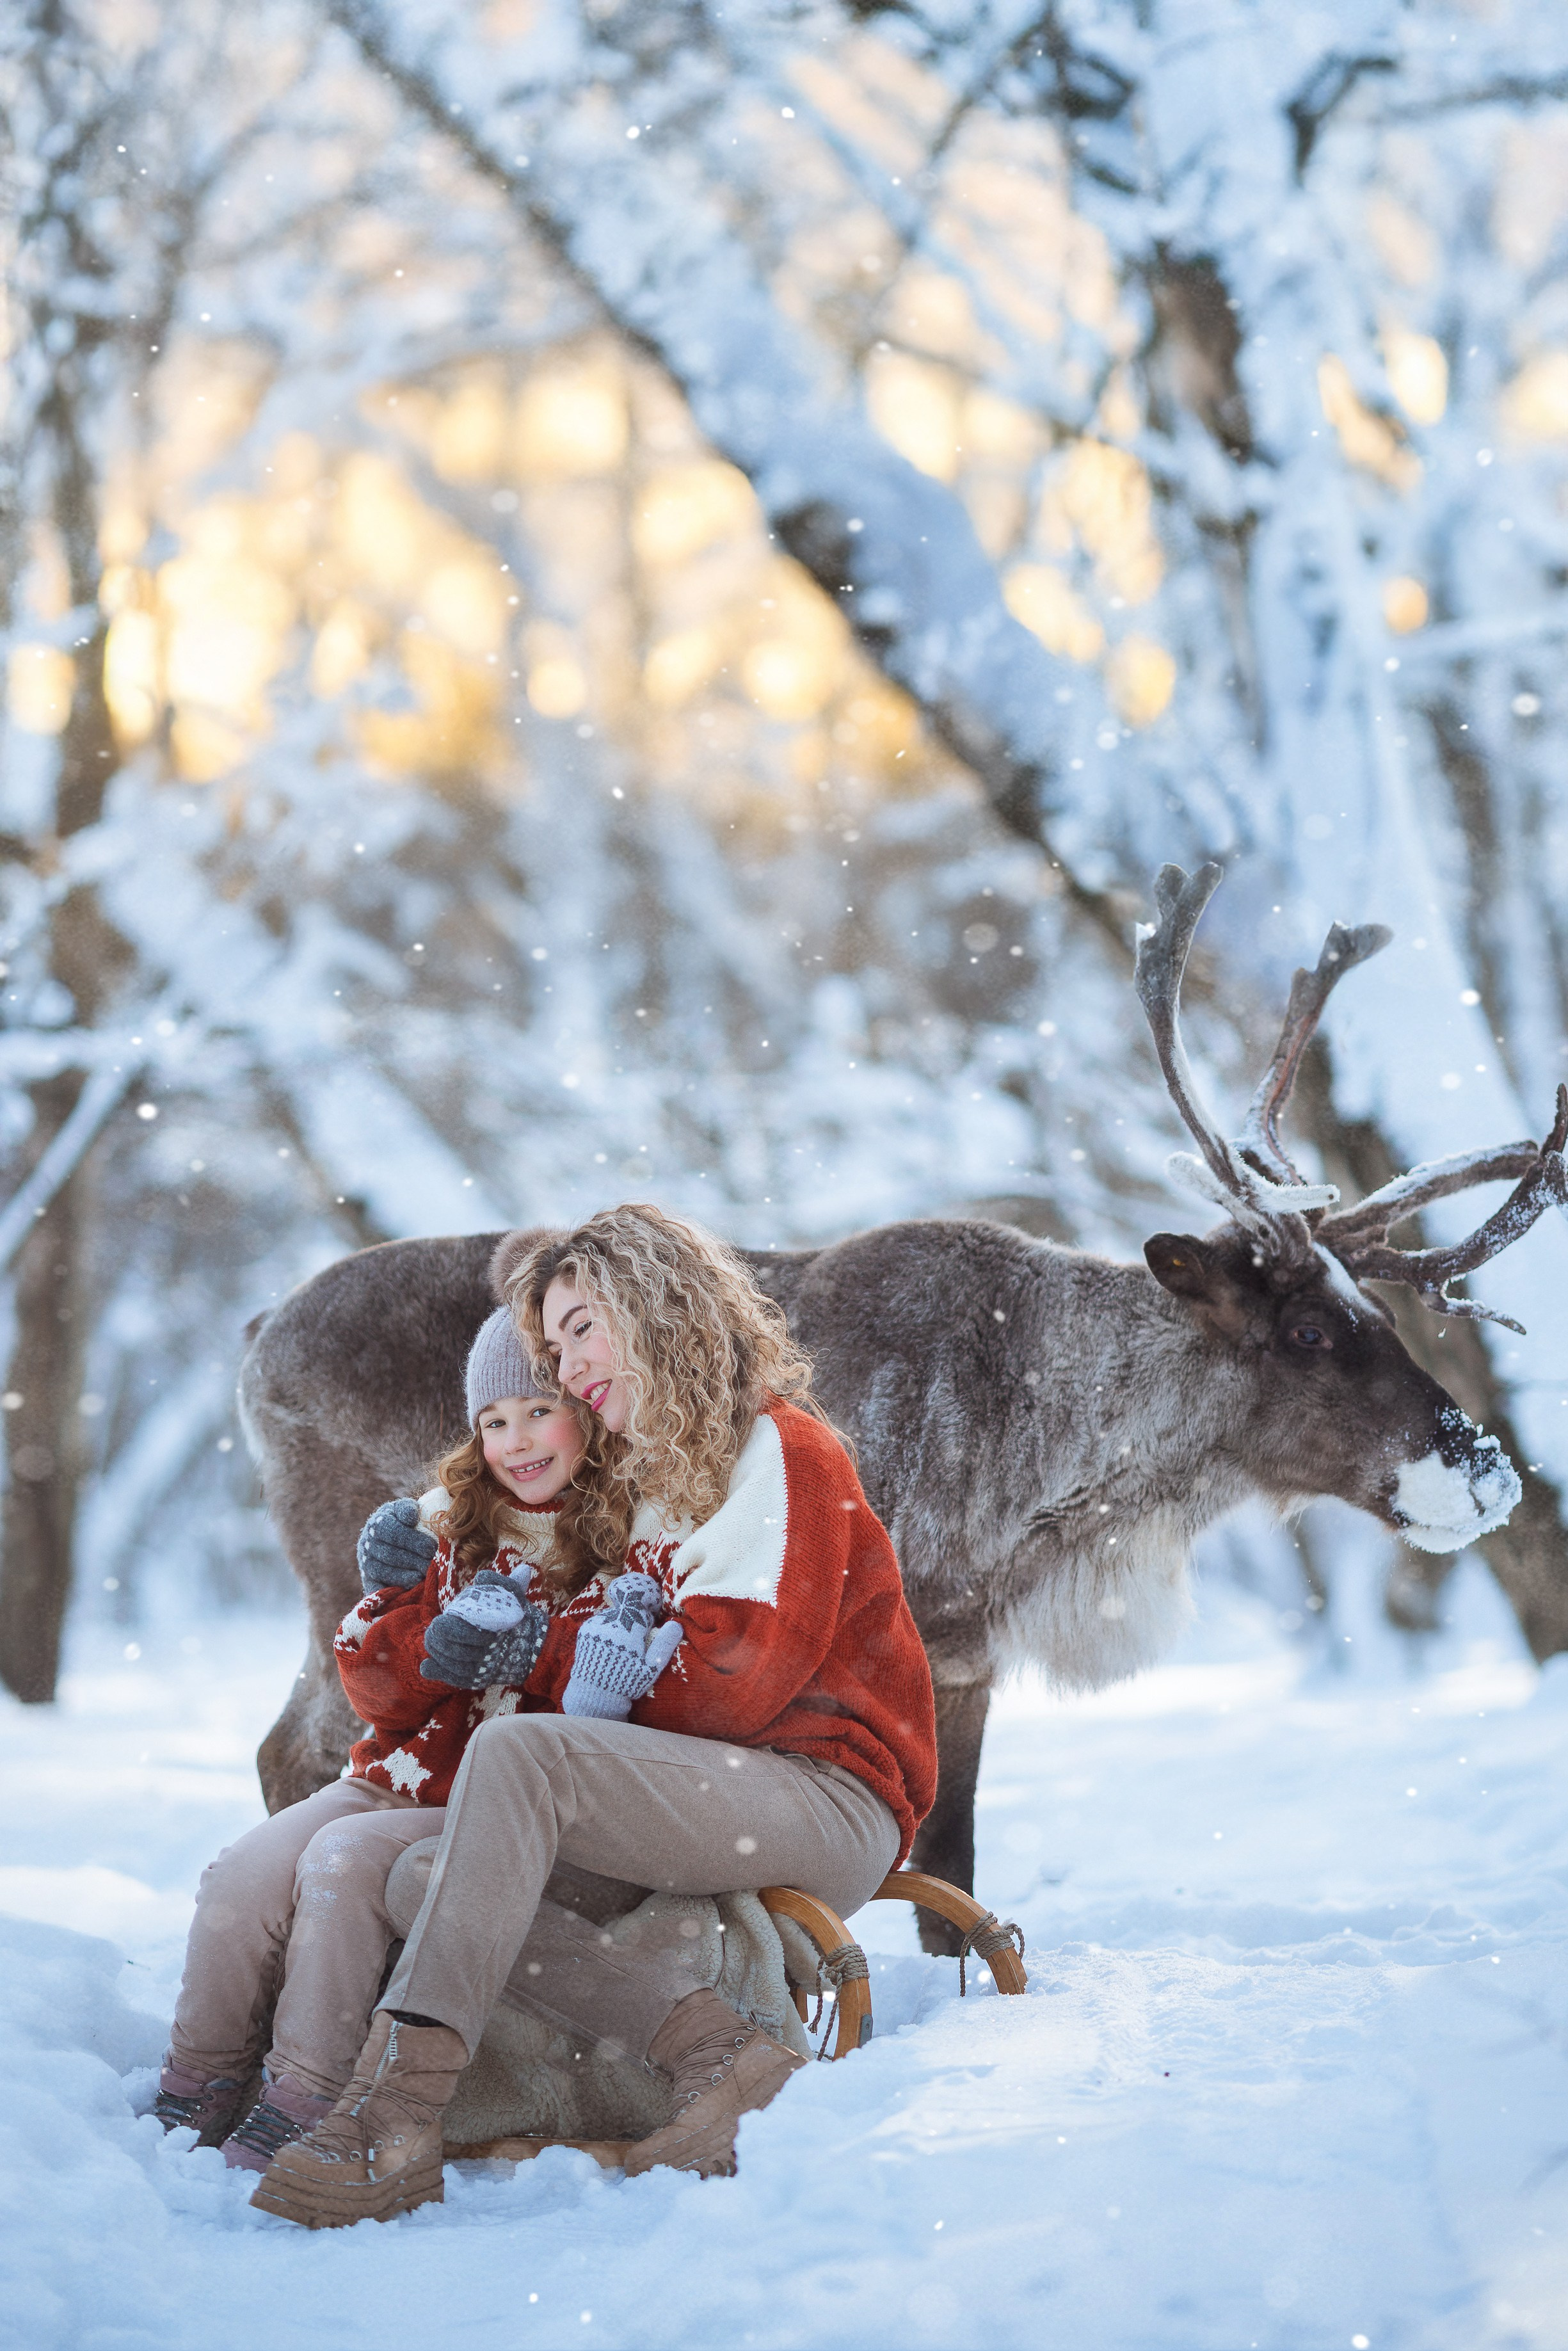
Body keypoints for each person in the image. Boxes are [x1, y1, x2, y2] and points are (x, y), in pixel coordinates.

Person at [253, 1203, 937, 2228]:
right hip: (708, 1792)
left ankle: (393, 2115)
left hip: (823, 1793)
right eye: (551, 1344)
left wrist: (540, 1654)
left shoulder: (779, 1450)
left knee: (526, 1755)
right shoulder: (653, 1477)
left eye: (579, 1330)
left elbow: (731, 1683)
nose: (565, 1369)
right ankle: (718, 2051)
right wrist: (421, 1590)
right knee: (419, 1873)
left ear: (653, 1305)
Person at [152, 1309, 591, 2172]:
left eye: (539, 1410)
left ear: (586, 1411)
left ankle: (305, 2091)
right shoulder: (450, 1528)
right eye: (494, 1420)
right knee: (240, 1873)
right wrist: (400, 1615)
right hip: (397, 1771)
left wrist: (535, 1656)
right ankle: (200, 2073)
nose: (517, 1439)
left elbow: (613, 1696)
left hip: (492, 1798)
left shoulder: (616, 1543)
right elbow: (380, 1700)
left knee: (343, 1863)